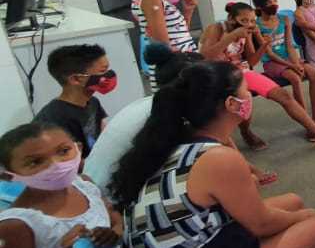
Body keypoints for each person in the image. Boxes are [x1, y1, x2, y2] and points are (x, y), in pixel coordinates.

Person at [109, 61, 315, 248]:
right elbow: (261, 223)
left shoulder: (176, 143)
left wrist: (294, 214)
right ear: (232, 104)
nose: (251, 95)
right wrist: (305, 217)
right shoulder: (217, 158)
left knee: (292, 201)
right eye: (246, 91)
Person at [85, 43, 276, 195]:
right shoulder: (169, 117)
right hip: (109, 201)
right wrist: (245, 177)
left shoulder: (164, 105)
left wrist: (250, 169)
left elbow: (222, 139)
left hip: (101, 187)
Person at [0, 122, 121, 248]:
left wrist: (113, 232)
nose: (56, 165)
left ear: (77, 148)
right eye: (35, 162)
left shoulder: (84, 185)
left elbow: (113, 215)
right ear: (9, 176)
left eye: (63, 151)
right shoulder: (16, 224)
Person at [200, 2, 315, 149]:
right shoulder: (217, 29)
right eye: (244, 20)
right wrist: (231, 36)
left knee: (283, 95)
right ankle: (246, 132)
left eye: (251, 21)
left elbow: (251, 61)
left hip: (241, 71)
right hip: (217, 74)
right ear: (231, 18)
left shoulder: (246, 32)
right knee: (244, 100)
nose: (249, 24)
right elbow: (205, 56)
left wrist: (263, 44)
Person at [253, 0, 315, 126]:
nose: (274, 4)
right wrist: (292, 66)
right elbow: (269, 53)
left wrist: (297, 63)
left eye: (275, 0)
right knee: (295, 78)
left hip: (290, 58)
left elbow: (289, 45)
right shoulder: (257, 26)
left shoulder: (284, 19)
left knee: (313, 73)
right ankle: (307, 122)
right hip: (272, 62)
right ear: (259, 6)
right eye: (269, 2)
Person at [131, 0, 198, 89]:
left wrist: (188, 11)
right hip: (175, 72)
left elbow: (178, 35)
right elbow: (164, 47)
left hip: (180, 66)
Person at [34, 44, 114, 158]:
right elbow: (67, 162)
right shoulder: (53, 120)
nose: (109, 75)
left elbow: (104, 134)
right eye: (103, 71)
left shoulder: (93, 102)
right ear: (76, 79)